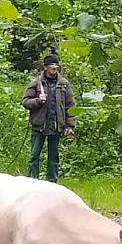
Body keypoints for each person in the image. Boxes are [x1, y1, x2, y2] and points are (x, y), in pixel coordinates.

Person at [22, 54, 75, 182]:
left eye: (56, 64)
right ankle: (32, 182)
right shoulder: (36, 83)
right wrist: (38, 101)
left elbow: (70, 105)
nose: (54, 67)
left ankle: (52, 183)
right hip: (39, 126)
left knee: (53, 158)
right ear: (45, 67)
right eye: (51, 64)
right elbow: (25, 102)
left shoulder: (63, 84)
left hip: (56, 126)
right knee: (34, 156)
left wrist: (69, 125)